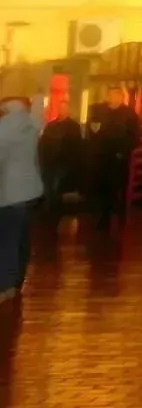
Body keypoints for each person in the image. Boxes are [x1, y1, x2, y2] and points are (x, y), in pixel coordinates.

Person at [0, 96, 44, 302]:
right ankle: (18, 280)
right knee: (22, 238)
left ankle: (6, 286)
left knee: (6, 238)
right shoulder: (31, 123)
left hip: (9, 192)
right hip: (31, 190)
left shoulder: (4, 127)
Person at [87, 86, 140, 229]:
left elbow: (135, 136)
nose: (112, 98)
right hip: (102, 157)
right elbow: (92, 130)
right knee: (103, 187)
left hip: (119, 158)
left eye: (115, 96)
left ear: (121, 97)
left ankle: (121, 215)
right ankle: (104, 216)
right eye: (110, 95)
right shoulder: (100, 112)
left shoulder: (129, 115)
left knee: (118, 187)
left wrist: (123, 151)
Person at [36, 111, 81, 216]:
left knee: (56, 187)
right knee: (51, 186)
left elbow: (76, 147)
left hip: (62, 163)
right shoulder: (52, 125)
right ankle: (51, 209)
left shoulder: (73, 126)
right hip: (51, 162)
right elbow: (43, 143)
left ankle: (54, 210)